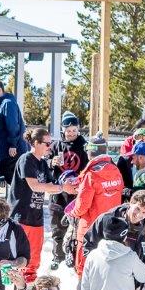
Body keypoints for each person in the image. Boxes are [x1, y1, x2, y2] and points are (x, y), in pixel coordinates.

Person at [8, 127, 76, 283]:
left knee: (34, 257)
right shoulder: (26, 159)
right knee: (20, 255)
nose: (50, 147)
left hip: (36, 215)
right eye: (47, 143)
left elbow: (52, 186)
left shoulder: (43, 163)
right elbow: (35, 186)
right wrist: (61, 188)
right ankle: (14, 286)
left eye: (50, 143)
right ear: (36, 143)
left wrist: (68, 182)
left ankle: (29, 288)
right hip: (21, 215)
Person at [68, 151, 124, 276]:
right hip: (111, 224)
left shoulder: (91, 174)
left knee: (84, 264)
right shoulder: (116, 171)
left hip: (90, 226)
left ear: (89, 155)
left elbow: (82, 206)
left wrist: (72, 213)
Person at [49, 113, 89, 270]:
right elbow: (45, 164)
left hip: (77, 194)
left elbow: (88, 166)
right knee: (57, 227)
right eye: (68, 130)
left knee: (77, 228)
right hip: (59, 194)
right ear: (63, 130)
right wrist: (51, 163)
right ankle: (57, 256)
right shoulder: (55, 146)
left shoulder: (84, 145)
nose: (71, 133)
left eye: (74, 130)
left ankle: (73, 256)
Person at [82, 190, 145, 265]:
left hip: (130, 272)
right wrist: (97, 265)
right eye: (137, 209)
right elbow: (89, 244)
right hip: (105, 269)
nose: (138, 215)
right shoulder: (107, 219)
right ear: (131, 203)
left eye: (144, 212)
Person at [0, 78, 27, 184]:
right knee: (7, 178)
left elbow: (13, 125)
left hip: (12, 149)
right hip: (3, 149)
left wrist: (13, 144)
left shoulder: (8, 103)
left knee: (14, 180)